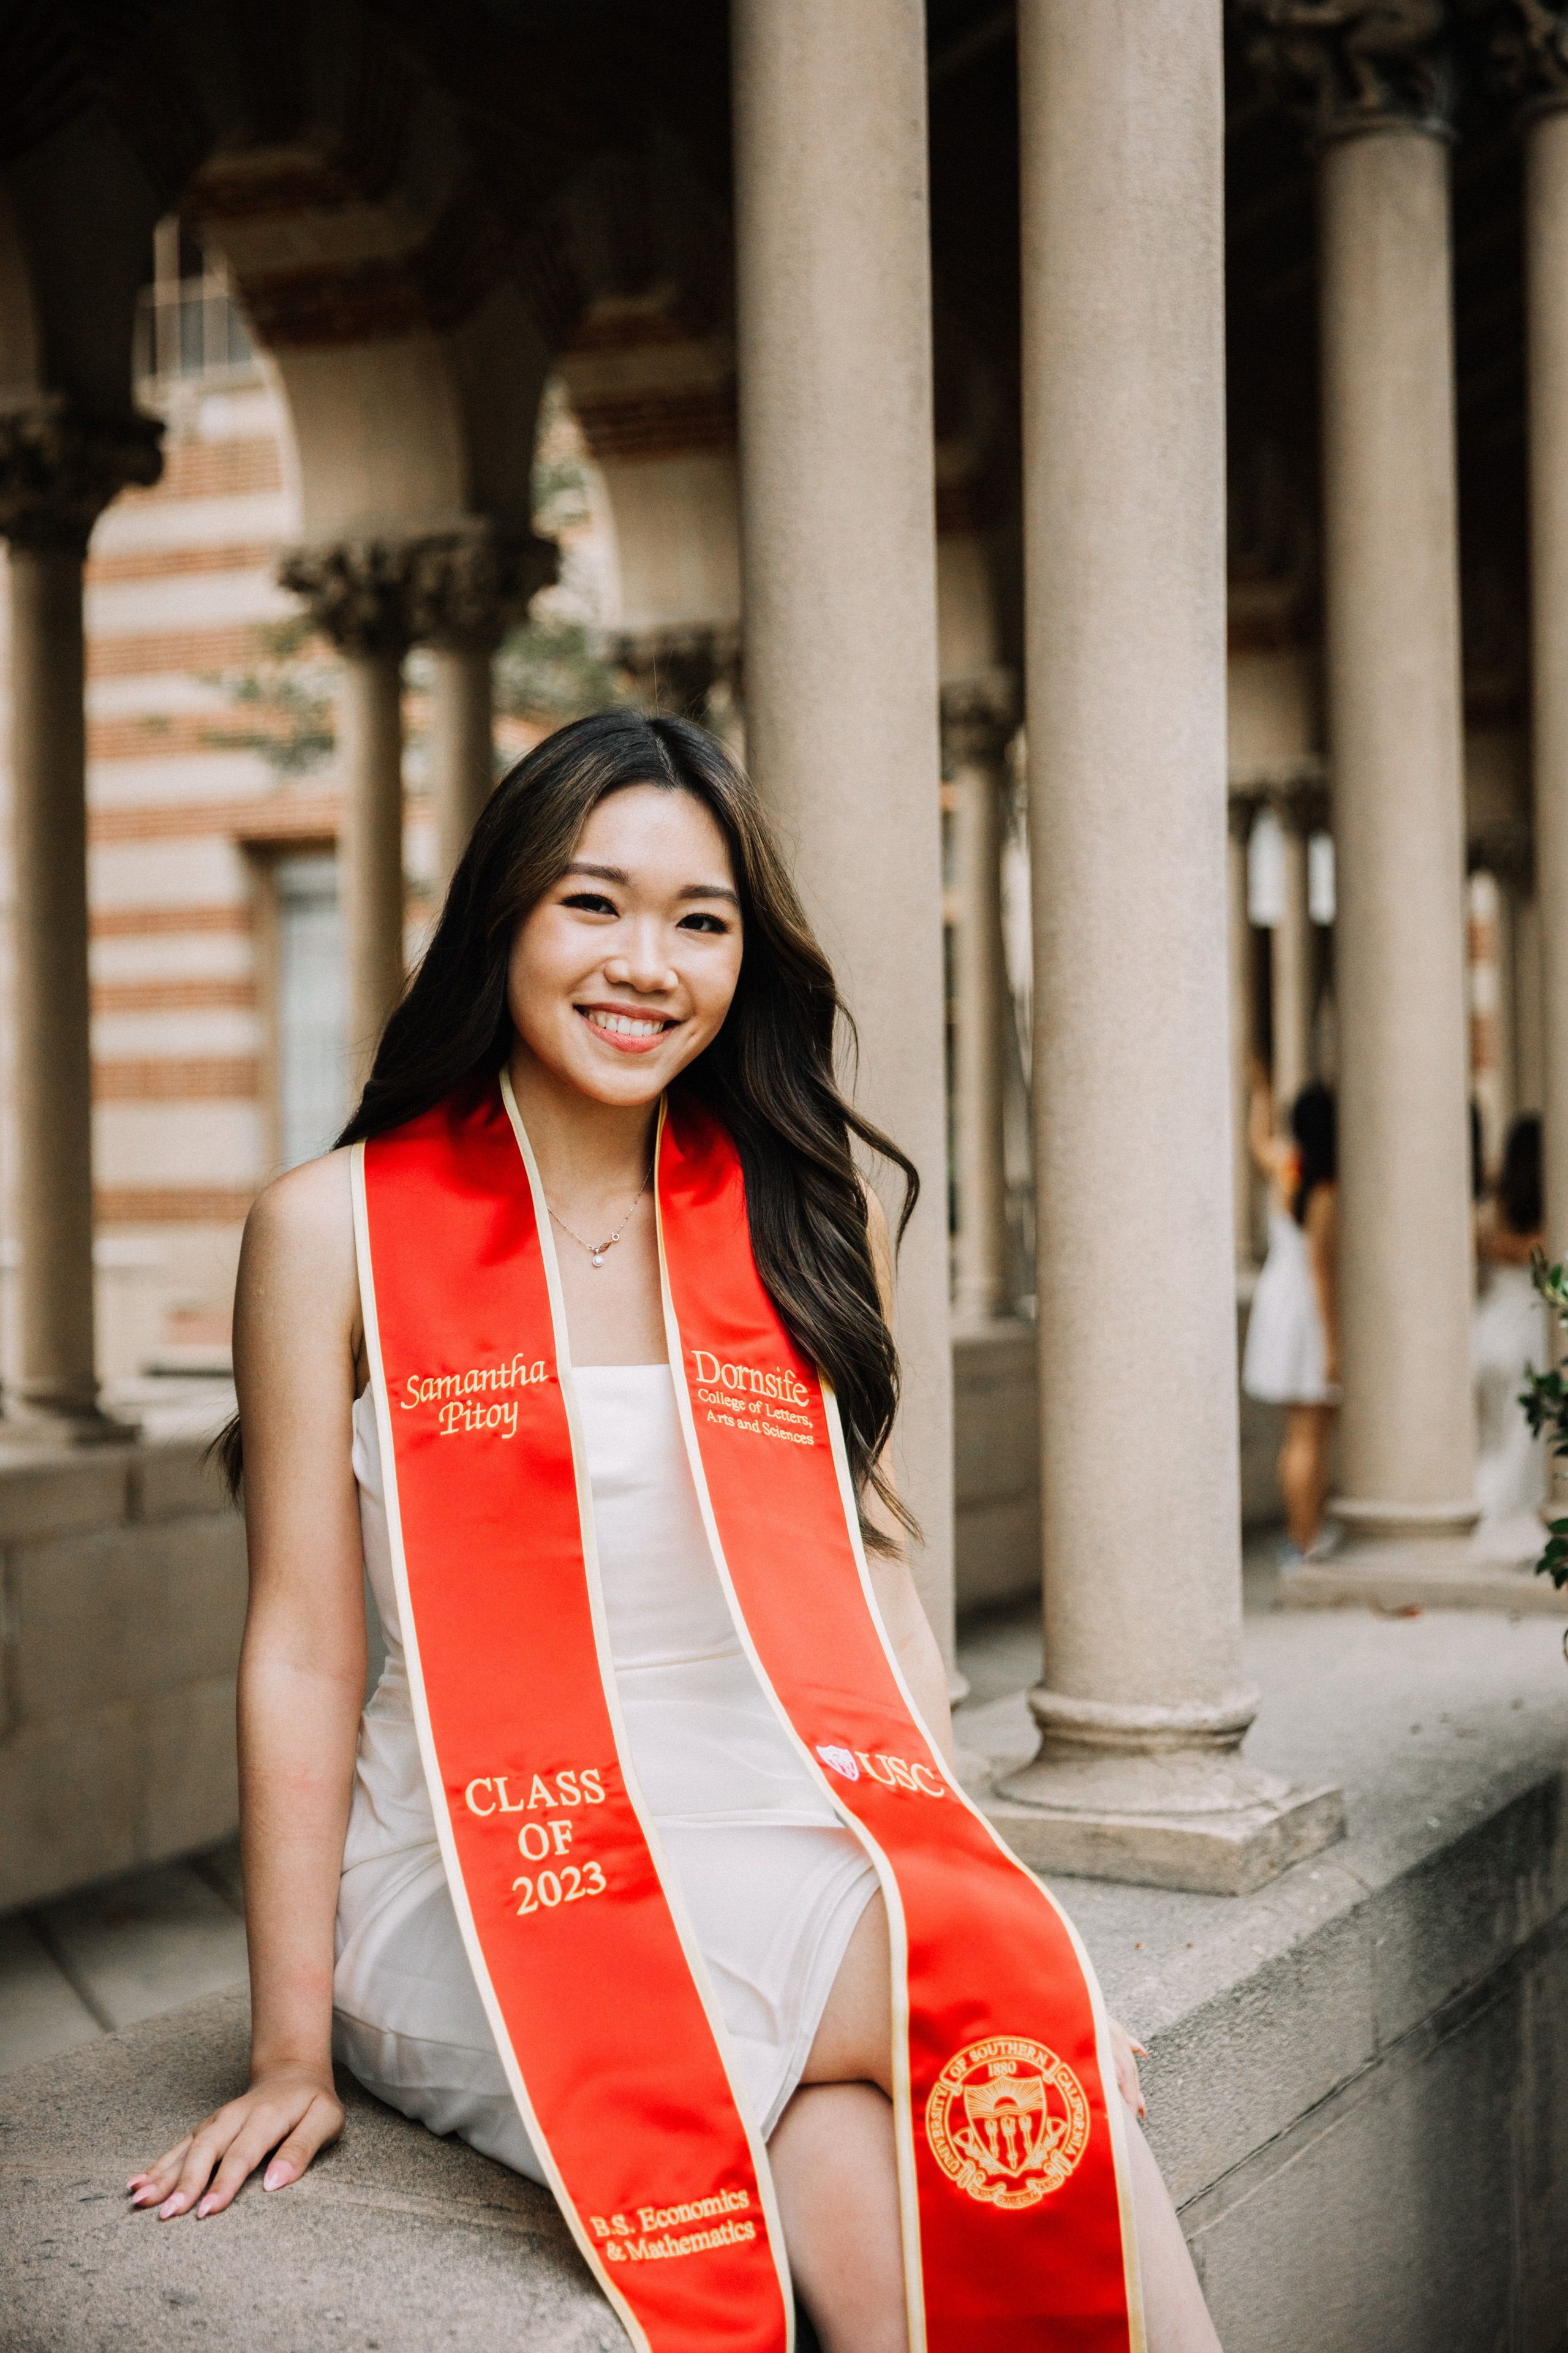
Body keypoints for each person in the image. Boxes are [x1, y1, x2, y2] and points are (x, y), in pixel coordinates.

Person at [128, 712, 1221, 2352]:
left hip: (781, 1817)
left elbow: (877, 1579)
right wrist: (291, 2050)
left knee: (900, 2173)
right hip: (480, 1862)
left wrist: (980, 1899)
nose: (649, 963)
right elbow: (300, 1645)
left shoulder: (788, 1210)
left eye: (701, 921)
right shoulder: (332, 1230)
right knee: (1016, 2031)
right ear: (500, 916)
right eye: (594, 905)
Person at [1242, 1073, 1339, 1565]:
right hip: (1305, 1310)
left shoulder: (1289, 1169)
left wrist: (1259, 1094)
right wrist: (1333, 1345)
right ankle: (1305, 1536)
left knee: (1296, 1434)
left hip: (1277, 1299)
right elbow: (1321, 1271)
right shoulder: (1324, 1189)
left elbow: (1258, 1139)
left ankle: (1300, 1534)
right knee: (1310, 1433)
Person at [1473, 1114, 1548, 1526]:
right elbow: (1546, 1253)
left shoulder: (1499, 1200)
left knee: (1496, 1439)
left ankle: (1493, 1514)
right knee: (1522, 1441)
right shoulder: (1550, 1200)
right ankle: (1506, 1519)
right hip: (1530, 1329)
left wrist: (1491, 1245)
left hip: (1491, 1323)